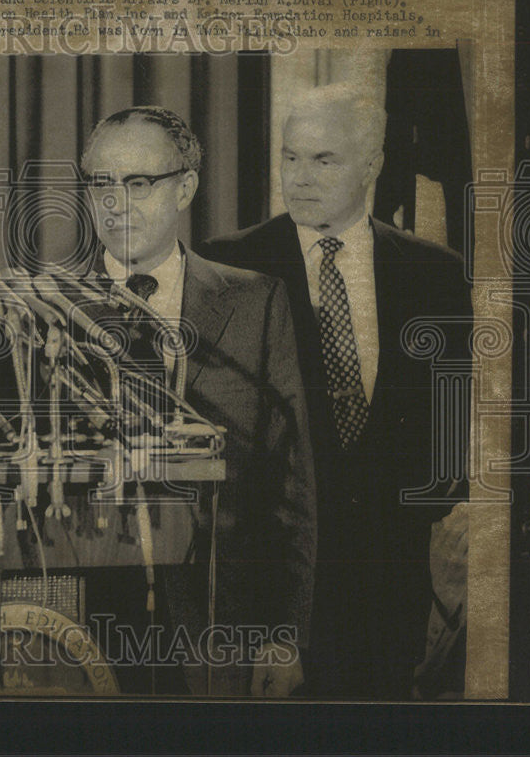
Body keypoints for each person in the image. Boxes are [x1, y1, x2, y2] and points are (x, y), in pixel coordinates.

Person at [201, 84, 472, 699]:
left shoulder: (437, 275)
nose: (299, 178)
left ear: (372, 164)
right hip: (269, 604)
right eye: (290, 158)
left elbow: (447, 446)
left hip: (390, 601)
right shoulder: (229, 267)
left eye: (324, 160)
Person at [80, 106, 316, 696]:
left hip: (223, 626)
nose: (116, 203)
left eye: (138, 183)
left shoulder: (257, 302)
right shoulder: (46, 310)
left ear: (185, 186)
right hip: (86, 628)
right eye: (100, 183)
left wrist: (284, 635)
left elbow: (292, 483)